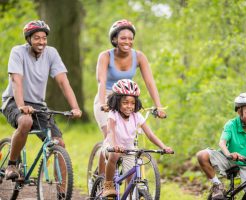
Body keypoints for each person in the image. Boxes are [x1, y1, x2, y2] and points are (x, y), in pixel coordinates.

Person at [1, 20, 82, 181]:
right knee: (25, 121)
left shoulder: (51, 53)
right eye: (37, 38)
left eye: (44, 38)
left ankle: (62, 193)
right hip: (14, 100)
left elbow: (63, 82)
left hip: (38, 104)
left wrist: (75, 107)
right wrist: (21, 106)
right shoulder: (17, 52)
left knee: (59, 144)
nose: (41, 42)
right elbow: (16, 81)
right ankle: (11, 164)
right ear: (29, 39)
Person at [93, 19, 166, 176]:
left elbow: (150, 82)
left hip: (127, 98)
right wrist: (103, 103)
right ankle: (102, 178)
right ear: (114, 39)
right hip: (107, 97)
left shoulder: (139, 56)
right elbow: (101, 81)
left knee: (129, 142)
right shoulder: (105, 56)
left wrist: (158, 106)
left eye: (130, 38)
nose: (127, 41)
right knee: (110, 139)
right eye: (123, 38)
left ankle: (128, 182)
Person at [100, 79, 173, 197]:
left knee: (131, 182)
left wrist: (164, 147)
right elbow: (110, 131)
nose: (129, 106)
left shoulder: (137, 116)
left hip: (128, 150)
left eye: (132, 103)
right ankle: (108, 185)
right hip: (111, 147)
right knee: (114, 155)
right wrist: (114, 145)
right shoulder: (113, 114)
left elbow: (150, 135)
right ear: (117, 102)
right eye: (125, 102)